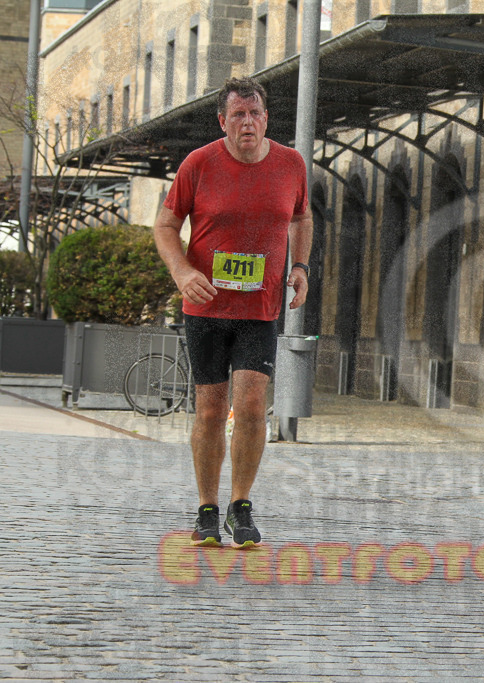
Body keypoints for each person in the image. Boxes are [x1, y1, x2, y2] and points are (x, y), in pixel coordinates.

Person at [153, 77, 313, 549]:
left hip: (259, 309)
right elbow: (165, 224)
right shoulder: (198, 164)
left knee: (248, 409)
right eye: (238, 114)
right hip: (205, 307)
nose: (248, 122)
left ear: (267, 119)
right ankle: (207, 508)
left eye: (256, 113)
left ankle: (240, 506)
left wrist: (300, 266)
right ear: (223, 121)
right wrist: (182, 271)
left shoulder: (290, 164)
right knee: (209, 411)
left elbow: (302, 216)